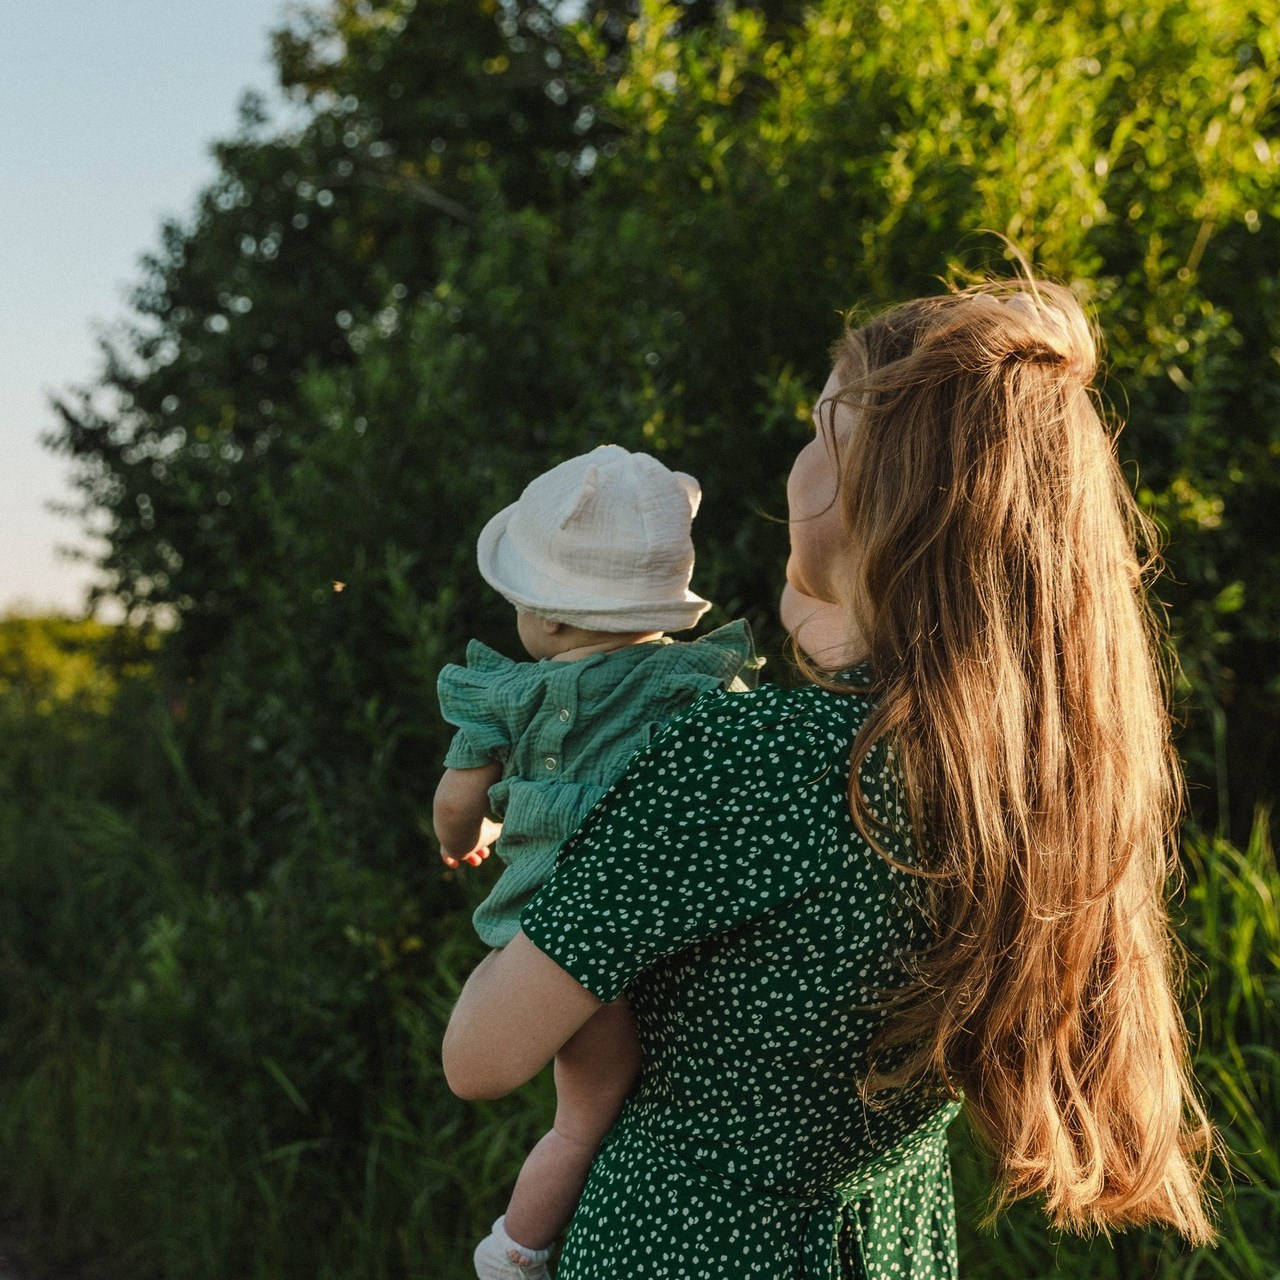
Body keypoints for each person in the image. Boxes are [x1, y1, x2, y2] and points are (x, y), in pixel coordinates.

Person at [442, 276, 1216, 1278]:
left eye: (821, 429)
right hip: (881, 1243)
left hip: (687, 1244)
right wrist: (829, 595)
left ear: (874, 494)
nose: (797, 459)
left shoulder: (747, 763)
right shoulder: (1017, 780)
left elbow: (480, 1054)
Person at [433, 444, 757, 1279]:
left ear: (546, 618)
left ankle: (515, 1250)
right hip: (667, 933)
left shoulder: (509, 695)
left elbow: (456, 803)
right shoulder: (696, 683)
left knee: (580, 1119)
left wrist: (464, 841)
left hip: (558, 943)